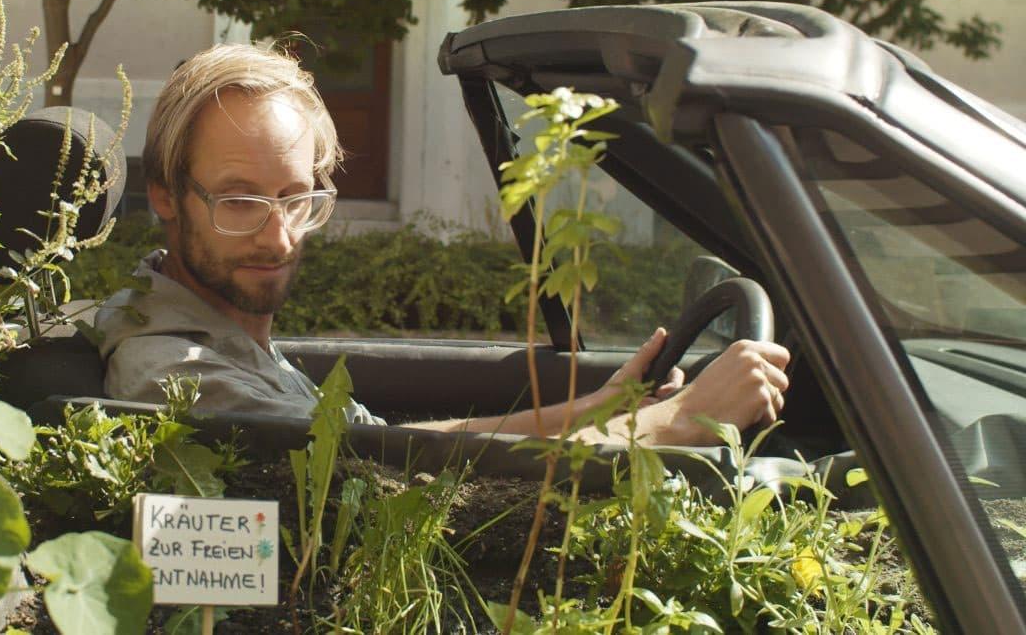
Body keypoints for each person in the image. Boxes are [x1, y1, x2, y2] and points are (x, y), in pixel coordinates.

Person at [96, 44, 789, 446]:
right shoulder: (178, 375)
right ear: (164, 194)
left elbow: (393, 452)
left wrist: (595, 409)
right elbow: (397, 497)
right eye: (241, 201)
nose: (279, 237)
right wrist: (676, 424)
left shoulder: (218, 332)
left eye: (298, 198)